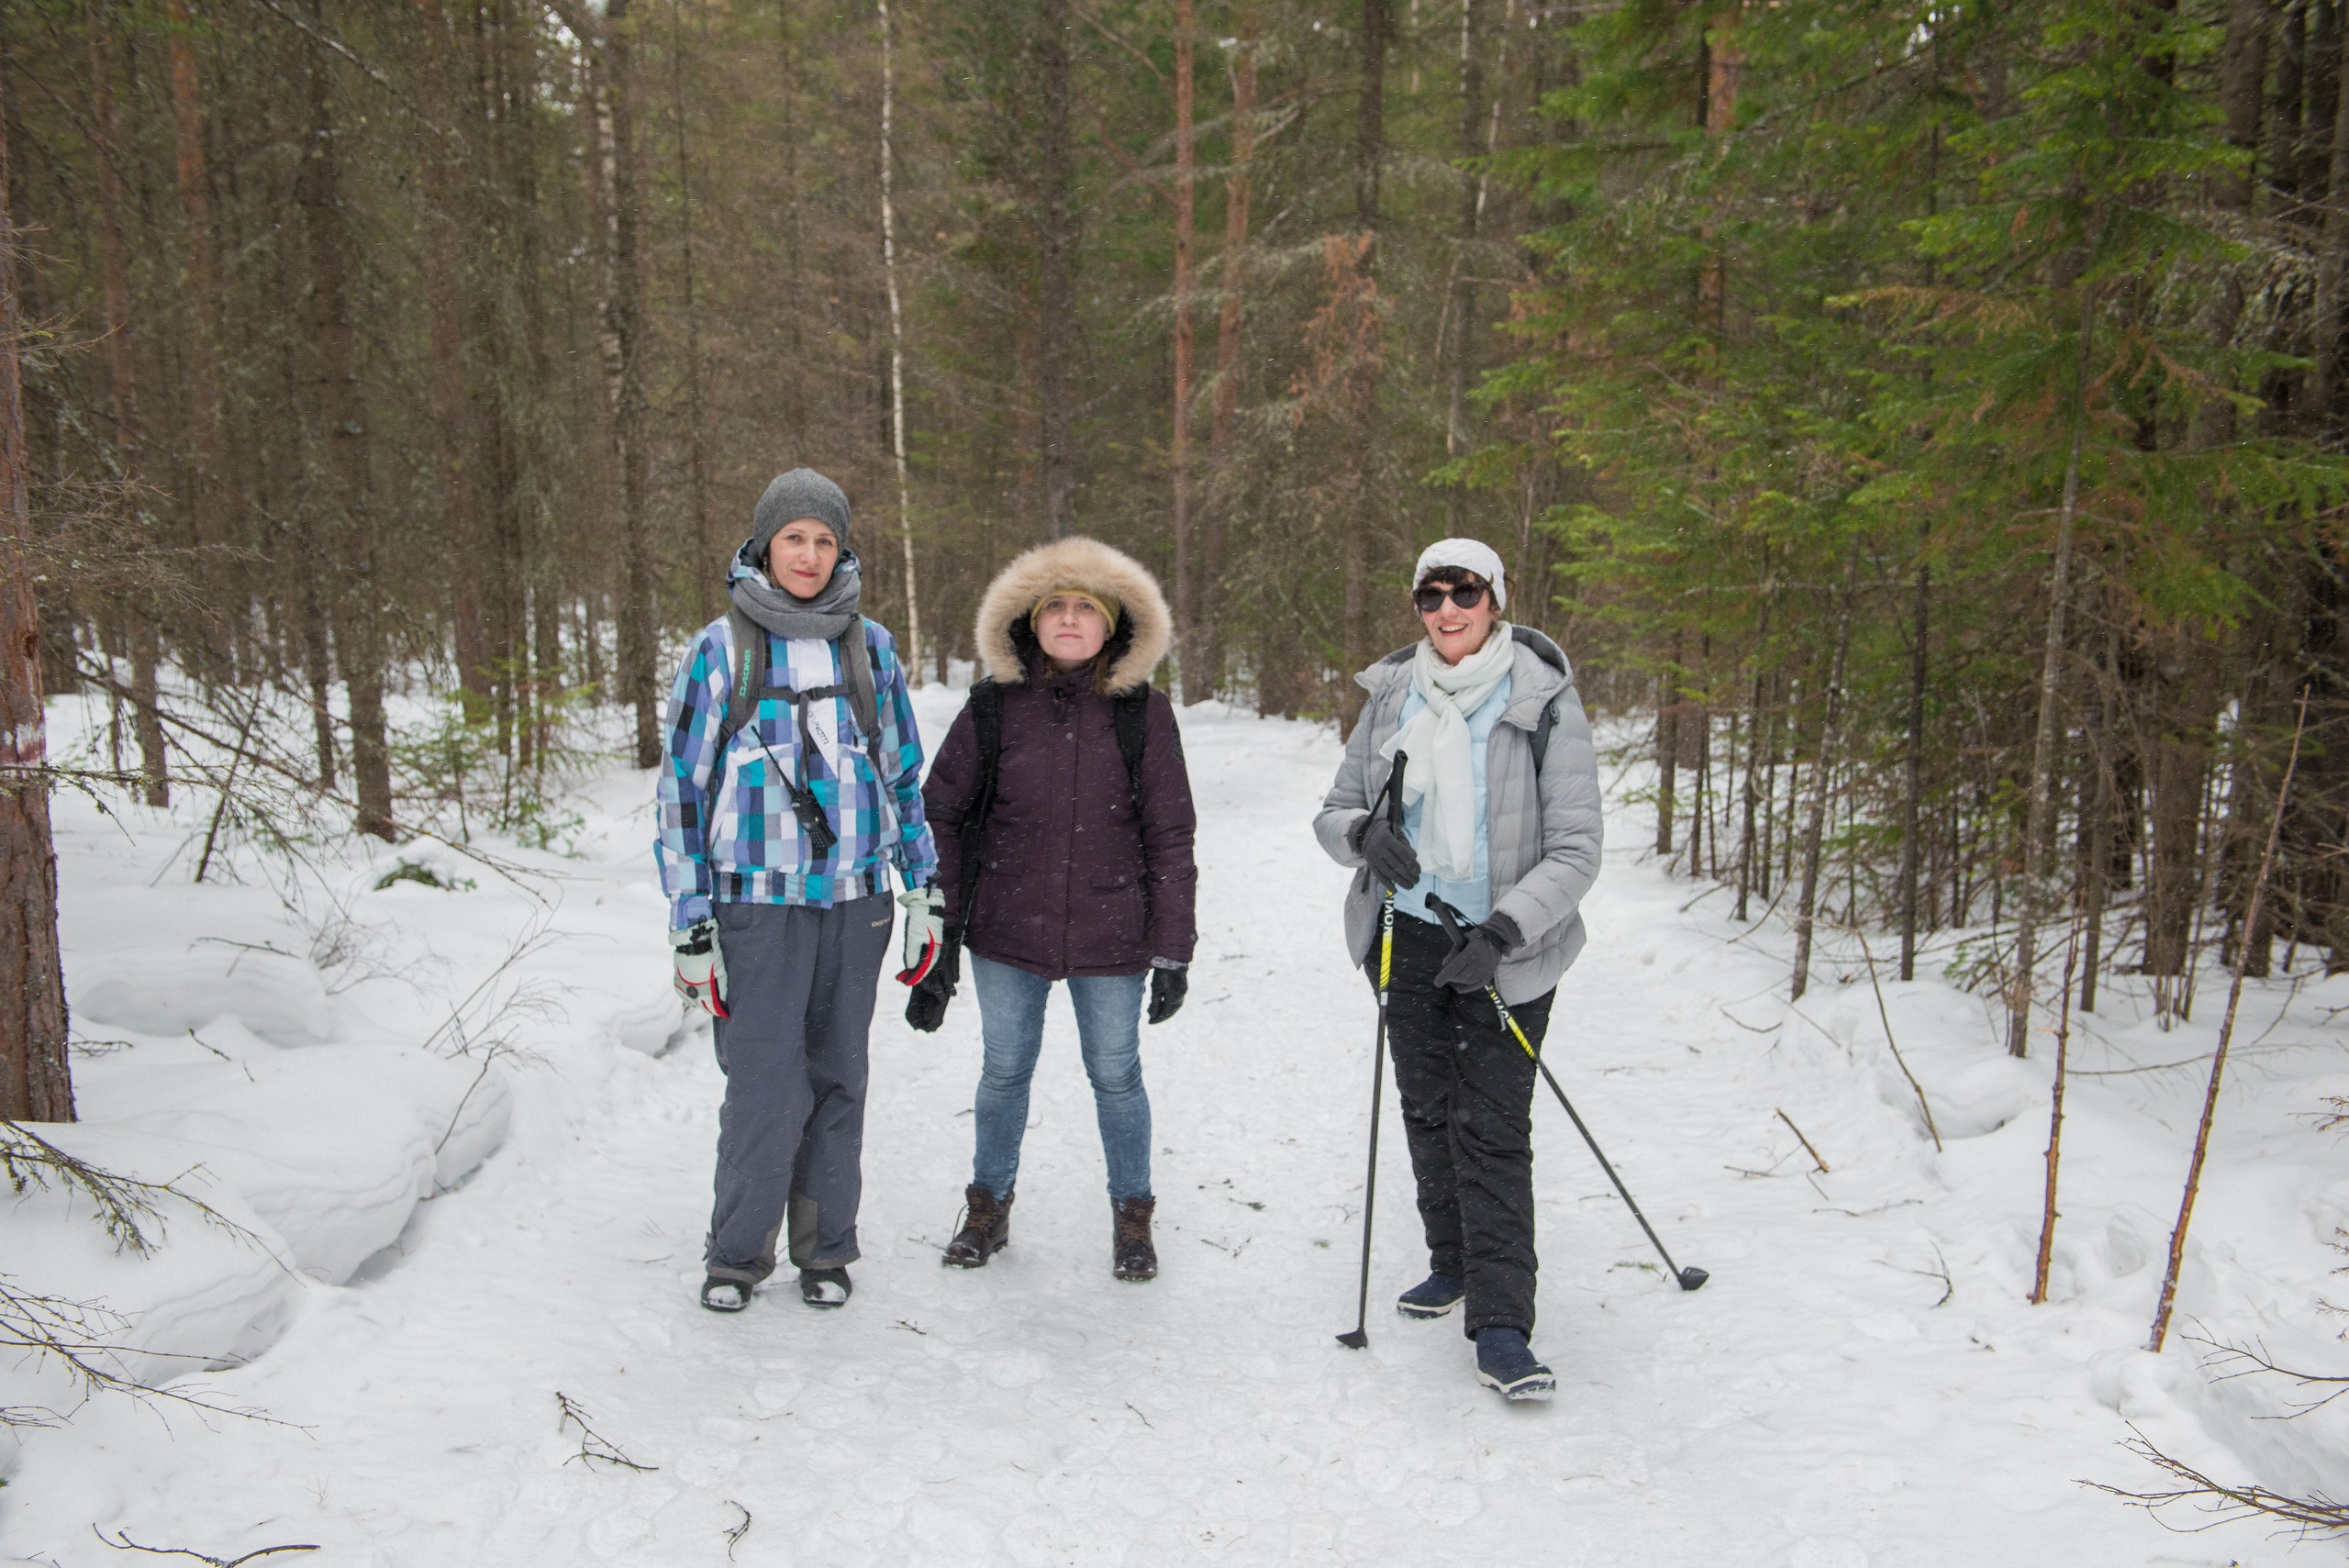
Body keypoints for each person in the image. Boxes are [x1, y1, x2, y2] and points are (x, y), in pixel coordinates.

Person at [1312, 538, 1602, 1401]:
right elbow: (1334, 812)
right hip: (1407, 938)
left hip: (1505, 950)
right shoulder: (1395, 693)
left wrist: (1507, 929)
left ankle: (1504, 1324)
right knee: (1428, 1109)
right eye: (1430, 595)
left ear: (1495, 599)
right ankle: (1452, 1260)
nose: (1446, 610)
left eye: (1464, 592)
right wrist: (1365, 835)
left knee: (1492, 1126)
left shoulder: (1543, 699)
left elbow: (1579, 848)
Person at [656, 468, 944, 1315]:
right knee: (761, 1085)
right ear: (764, 544)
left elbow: (901, 775)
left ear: (841, 548)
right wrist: (690, 918)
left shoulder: (871, 647)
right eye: (795, 538)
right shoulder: (722, 650)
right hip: (756, 905)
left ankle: (825, 1249)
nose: (810, 555)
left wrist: (922, 887)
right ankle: (738, 1255)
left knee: (837, 1080)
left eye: (824, 539)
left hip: (855, 904)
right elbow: (680, 789)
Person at [906, 537, 1197, 1282]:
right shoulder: (992, 708)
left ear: (1113, 626)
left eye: (1086, 608)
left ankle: (1133, 1219)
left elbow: (1170, 833)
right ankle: (987, 1209)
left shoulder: (1143, 715)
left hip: (1113, 935)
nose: (1069, 619)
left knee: (1117, 1075)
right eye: (1056, 606)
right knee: (1004, 1071)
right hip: (1008, 930)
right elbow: (941, 810)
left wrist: (1173, 948)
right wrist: (938, 933)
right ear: (1030, 622)